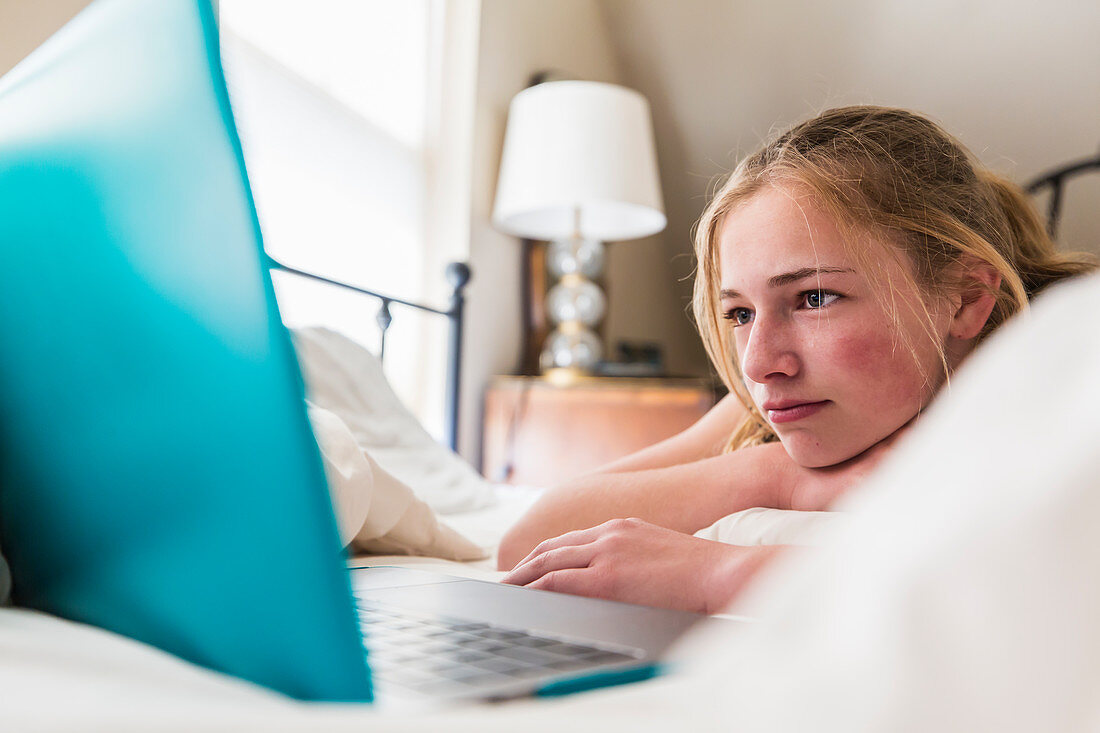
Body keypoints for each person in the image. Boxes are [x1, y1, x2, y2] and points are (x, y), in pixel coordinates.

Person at [497, 105, 1095, 613]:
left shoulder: (1069, 367)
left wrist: (721, 574)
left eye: (813, 298)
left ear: (966, 299)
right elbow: (527, 539)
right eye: (740, 313)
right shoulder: (780, 394)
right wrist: (779, 479)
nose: (759, 363)